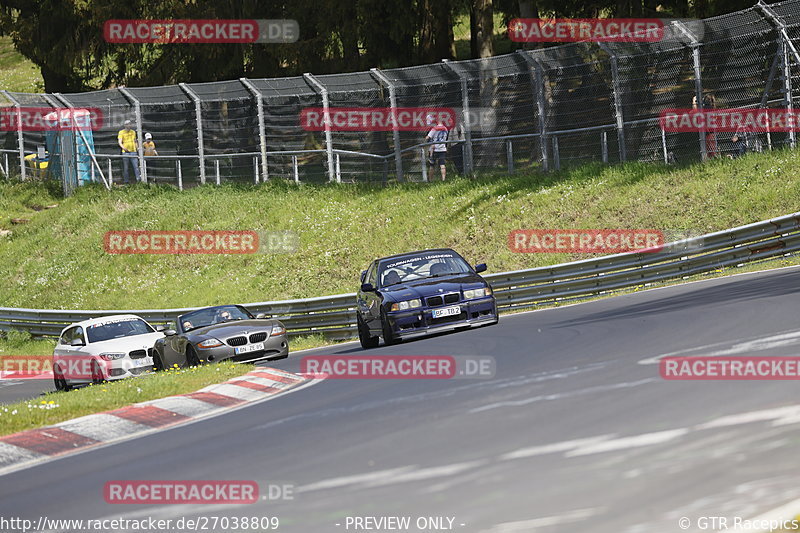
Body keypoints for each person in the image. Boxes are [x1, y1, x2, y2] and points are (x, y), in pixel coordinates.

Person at [693, 93, 718, 159]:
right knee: (711, 146)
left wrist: (694, 101)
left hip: (707, 130)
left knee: (709, 147)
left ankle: (710, 158)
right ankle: (711, 157)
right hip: (710, 130)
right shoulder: (712, 108)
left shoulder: (707, 108)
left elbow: (695, 111)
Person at [118, 120, 140, 184]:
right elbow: (119, 142)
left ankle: (138, 180)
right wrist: (123, 147)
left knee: (136, 167)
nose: (128, 125)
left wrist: (137, 148)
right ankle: (126, 181)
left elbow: (135, 141)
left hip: (133, 152)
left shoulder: (133, 132)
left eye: (129, 124)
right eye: (127, 124)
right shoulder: (121, 132)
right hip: (125, 152)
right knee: (126, 167)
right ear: (124, 125)